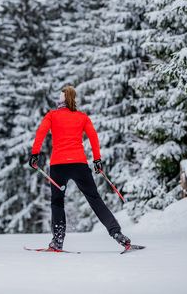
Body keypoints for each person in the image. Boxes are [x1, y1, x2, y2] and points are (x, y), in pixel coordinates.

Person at [29, 85, 131, 251]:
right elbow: (93, 137)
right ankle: (117, 234)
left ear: (61, 99)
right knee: (94, 199)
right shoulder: (82, 117)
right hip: (79, 164)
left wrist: (35, 154)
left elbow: (41, 133)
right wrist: (97, 160)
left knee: (57, 201)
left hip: (58, 165)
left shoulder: (52, 115)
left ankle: (58, 240)